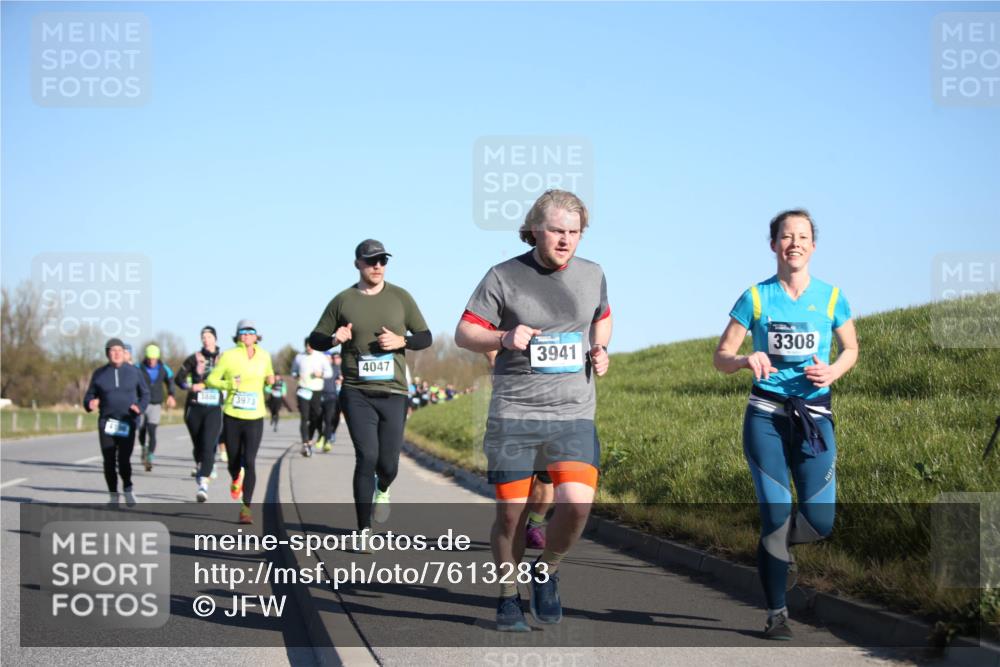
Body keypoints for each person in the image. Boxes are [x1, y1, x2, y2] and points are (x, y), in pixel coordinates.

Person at [455, 189, 611, 632]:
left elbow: (603, 315)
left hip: (573, 411)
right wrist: (503, 338)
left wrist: (601, 348)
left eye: (574, 232)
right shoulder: (503, 277)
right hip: (516, 412)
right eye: (557, 231)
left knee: (577, 505)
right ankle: (507, 596)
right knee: (511, 514)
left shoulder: (593, 273)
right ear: (535, 230)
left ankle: (546, 569)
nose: (566, 240)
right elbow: (465, 333)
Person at [713, 209, 858, 640]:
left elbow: (850, 349)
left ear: (813, 245)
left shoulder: (832, 297)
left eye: (803, 236)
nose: (794, 242)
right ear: (773, 244)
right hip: (766, 419)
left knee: (820, 520)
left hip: (814, 418)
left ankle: (778, 546)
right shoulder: (755, 297)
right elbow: (721, 357)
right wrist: (744, 360)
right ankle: (777, 613)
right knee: (775, 517)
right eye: (785, 236)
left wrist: (833, 371)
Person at [309, 239, 432, 531]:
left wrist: (403, 341)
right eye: (370, 261)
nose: (377, 266)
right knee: (367, 457)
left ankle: (384, 488)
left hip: (394, 392)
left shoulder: (401, 297)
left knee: (388, 464)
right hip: (355, 391)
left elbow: (425, 337)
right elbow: (315, 339)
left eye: (382, 261)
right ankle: (363, 530)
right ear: (357, 264)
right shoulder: (343, 300)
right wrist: (333, 339)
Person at [206, 319, 275, 524]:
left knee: (251, 461)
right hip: (233, 416)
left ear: (256, 336)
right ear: (237, 336)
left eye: (250, 332)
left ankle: (246, 508)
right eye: (242, 333)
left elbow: (269, 375)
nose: (246, 336)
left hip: (255, 417)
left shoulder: (264, 356)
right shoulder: (228, 356)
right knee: (234, 460)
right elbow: (211, 380)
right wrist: (229, 383)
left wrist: (271, 380)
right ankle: (236, 477)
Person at [83, 338, 150, 506]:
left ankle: (127, 488)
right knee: (109, 460)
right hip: (107, 422)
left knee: (124, 459)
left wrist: (140, 407)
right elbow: (89, 395)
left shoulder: (134, 372)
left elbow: (145, 394)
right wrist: (89, 403)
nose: (116, 353)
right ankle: (113, 495)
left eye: (119, 350)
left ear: (124, 353)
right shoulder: (99, 374)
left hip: (127, 421)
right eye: (112, 351)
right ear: (107, 354)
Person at [175, 326, 223, 502]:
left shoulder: (223, 358)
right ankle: (201, 464)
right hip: (194, 407)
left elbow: (234, 376)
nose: (206, 339)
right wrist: (190, 386)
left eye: (209, 336)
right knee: (199, 446)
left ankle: (203, 484)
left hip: (214, 407)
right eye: (203, 336)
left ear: (215, 339)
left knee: (209, 443)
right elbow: (178, 378)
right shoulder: (194, 358)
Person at [137, 344, 176, 472]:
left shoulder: (163, 369)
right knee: (142, 429)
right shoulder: (138, 367)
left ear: (157, 358)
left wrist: (171, 395)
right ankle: (143, 447)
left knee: (152, 430)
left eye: (154, 359)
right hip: (141, 403)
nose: (151, 361)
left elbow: (170, 381)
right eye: (149, 358)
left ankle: (150, 457)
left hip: (156, 403)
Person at [292, 339, 330, 457]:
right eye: (307, 346)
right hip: (303, 389)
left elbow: (329, 373)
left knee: (315, 416)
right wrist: (296, 375)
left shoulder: (321, 357)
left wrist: (321, 374)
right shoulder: (299, 357)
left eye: (311, 345)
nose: (309, 347)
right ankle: (305, 444)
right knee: (304, 417)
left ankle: (310, 438)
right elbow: (293, 371)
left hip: (316, 390)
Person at [319, 352, 343, 452]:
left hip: (340, 396)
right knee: (326, 417)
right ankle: (325, 436)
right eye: (334, 357)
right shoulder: (331, 368)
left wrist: (342, 380)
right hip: (330, 395)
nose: (335, 359)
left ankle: (331, 433)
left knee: (336, 417)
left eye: (337, 357)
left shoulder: (343, 367)